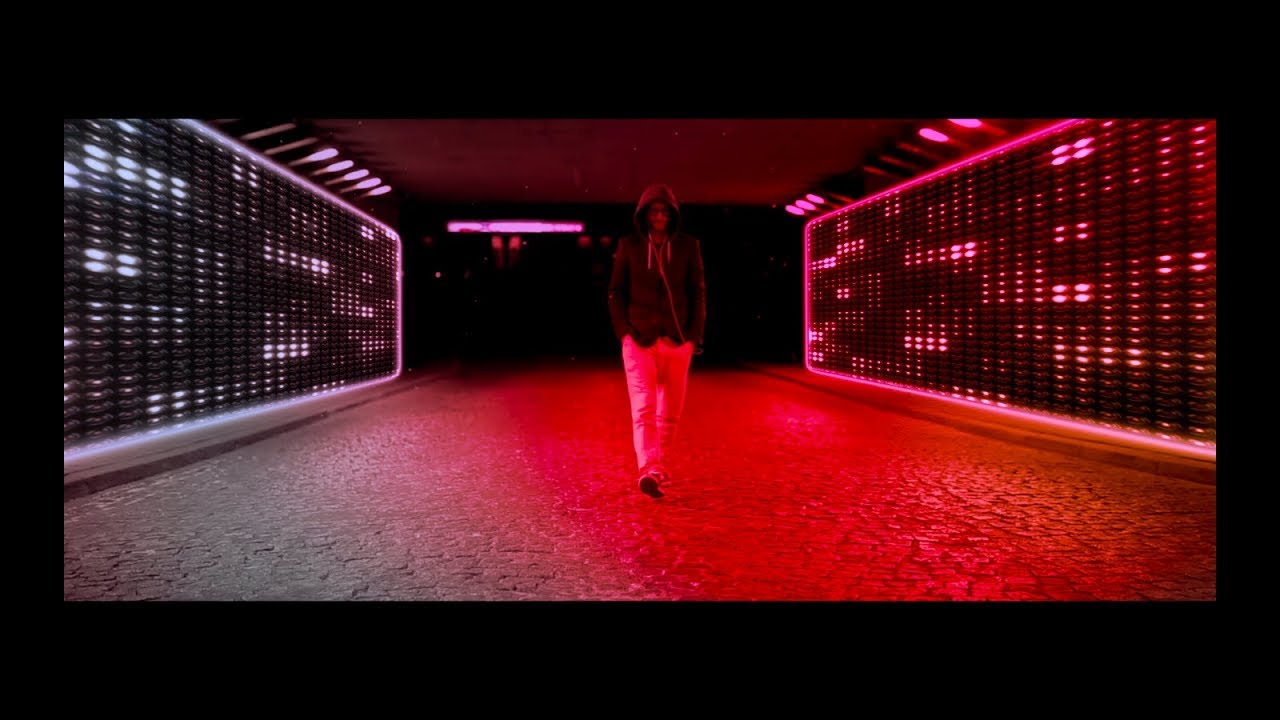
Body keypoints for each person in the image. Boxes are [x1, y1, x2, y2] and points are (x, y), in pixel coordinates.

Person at [607, 183, 706, 498]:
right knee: (644, 408)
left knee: (670, 413)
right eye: (654, 211)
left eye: (664, 211)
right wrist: (624, 332)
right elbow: (616, 291)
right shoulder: (629, 246)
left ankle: (657, 468)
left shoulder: (688, 246)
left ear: (672, 214)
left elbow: (697, 291)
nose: (660, 217)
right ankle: (649, 468)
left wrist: (693, 336)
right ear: (645, 214)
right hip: (640, 339)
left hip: (677, 339)